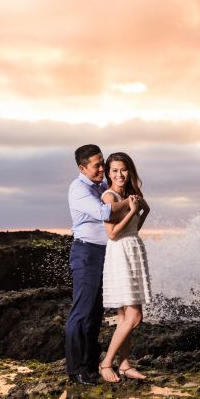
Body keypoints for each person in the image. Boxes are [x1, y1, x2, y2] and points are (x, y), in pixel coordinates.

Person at [66, 144, 132, 385]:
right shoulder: (78, 189)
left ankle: (90, 364)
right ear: (82, 168)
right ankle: (76, 370)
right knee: (81, 313)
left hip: (106, 254)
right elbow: (104, 212)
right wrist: (130, 203)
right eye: (97, 165)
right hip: (87, 254)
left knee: (95, 314)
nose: (102, 169)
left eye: (103, 163)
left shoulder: (101, 185)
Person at [98, 152, 151, 382]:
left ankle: (125, 363)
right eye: (115, 170)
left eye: (124, 169)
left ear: (130, 171)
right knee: (135, 316)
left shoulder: (131, 194)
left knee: (124, 317)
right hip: (119, 252)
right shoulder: (109, 197)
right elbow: (111, 234)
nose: (120, 174)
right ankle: (106, 363)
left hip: (132, 249)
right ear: (108, 173)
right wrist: (131, 210)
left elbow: (132, 229)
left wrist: (143, 210)